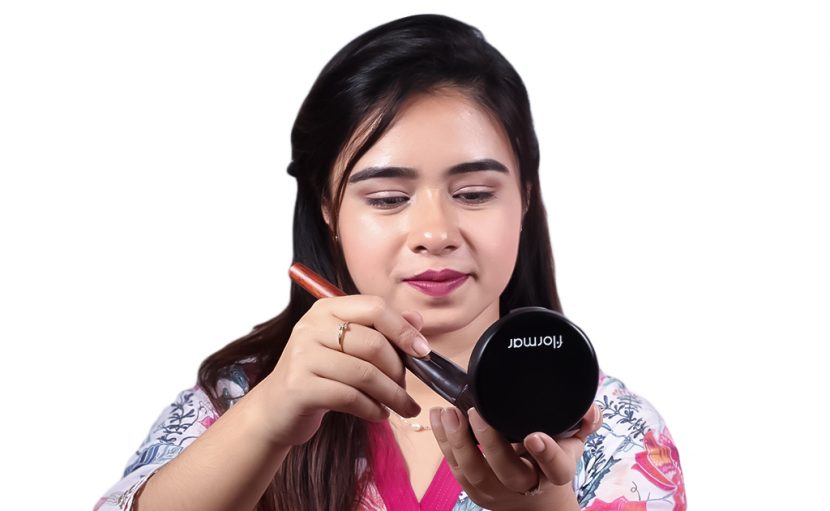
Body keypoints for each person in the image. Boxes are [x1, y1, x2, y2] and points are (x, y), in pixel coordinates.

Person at [96, 13, 685, 511]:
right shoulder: (237, 397)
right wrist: (264, 420)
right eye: (386, 199)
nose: (435, 234)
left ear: (525, 196)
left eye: (474, 193)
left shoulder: (615, 429)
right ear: (328, 208)